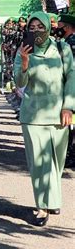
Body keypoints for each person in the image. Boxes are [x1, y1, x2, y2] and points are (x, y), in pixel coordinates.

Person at [14, 11, 74, 226]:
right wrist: (23, 62)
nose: (36, 30)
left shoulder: (61, 48)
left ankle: (52, 198)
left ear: (49, 27)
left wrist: (69, 107)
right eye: (32, 27)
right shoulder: (24, 50)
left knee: (57, 163)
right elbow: (18, 82)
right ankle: (42, 206)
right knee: (40, 164)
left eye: (40, 26)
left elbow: (71, 78)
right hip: (33, 115)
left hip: (59, 115)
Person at [57, 14, 75, 168]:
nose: (57, 29)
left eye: (60, 26)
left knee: (72, 124)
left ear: (67, 27)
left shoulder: (72, 42)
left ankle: (71, 154)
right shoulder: (65, 42)